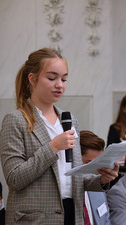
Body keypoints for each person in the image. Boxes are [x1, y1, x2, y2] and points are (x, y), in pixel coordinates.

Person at [0, 48, 119, 224]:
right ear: (32, 79)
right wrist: (53, 147)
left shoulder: (69, 120)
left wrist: (101, 179)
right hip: (35, 219)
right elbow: (15, 178)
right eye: (52, 78)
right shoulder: (15, 120)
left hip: (72, 213)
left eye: (64, 79)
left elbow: (71, 176)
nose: (60, 85)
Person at [80, 130, 111, 225]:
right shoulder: (64, 193)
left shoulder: (98, 188)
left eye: (98, 164)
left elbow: (106, 221)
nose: (96, 171)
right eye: (89, 164)